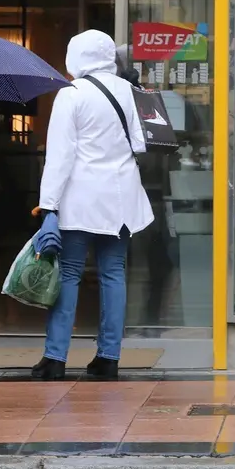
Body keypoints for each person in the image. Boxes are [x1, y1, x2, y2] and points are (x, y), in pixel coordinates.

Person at [31, 30, 154, 381]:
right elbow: (142, 145)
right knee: (114, 275)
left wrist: (48, 206)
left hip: (80, 200)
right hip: (121, 200)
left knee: (68, 275)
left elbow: (59, 157)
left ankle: (55, 359)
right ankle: (108, 358)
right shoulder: (129, 91)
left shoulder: (72, 94)